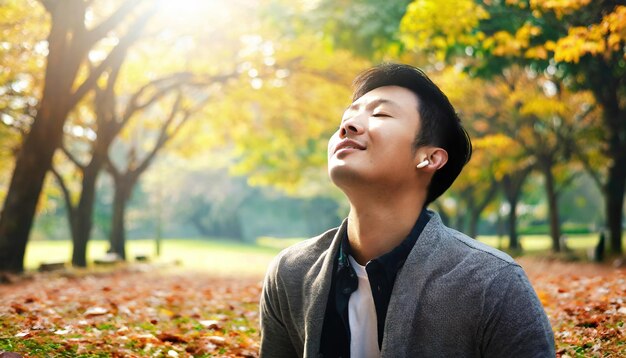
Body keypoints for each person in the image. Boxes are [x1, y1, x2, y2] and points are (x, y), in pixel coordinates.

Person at [259, 63, 555, 357]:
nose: (346, 127)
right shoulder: (290, 273)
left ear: (429, 158)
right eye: (347, 117)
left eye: (380, 114)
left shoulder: (492, 283)